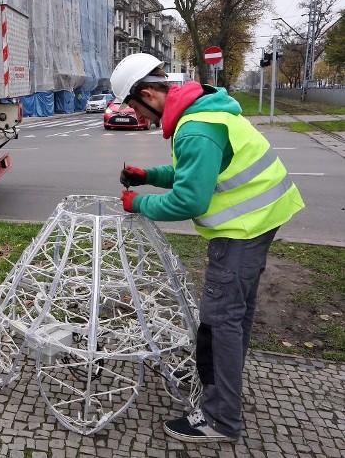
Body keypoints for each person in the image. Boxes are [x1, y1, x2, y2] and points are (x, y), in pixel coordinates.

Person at [110, 53, 304, 444]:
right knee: (236, 315)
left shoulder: (196, 129)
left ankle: (219, 419)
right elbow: (194, 173)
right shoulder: (204, 110)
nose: (140, 118)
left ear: (149, 94)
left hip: (240, 232)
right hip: (263, 220)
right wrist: (148, 176)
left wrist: (138, 203)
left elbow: (190, 200)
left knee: (218, 324)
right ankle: (226, 391)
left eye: (135, 107)